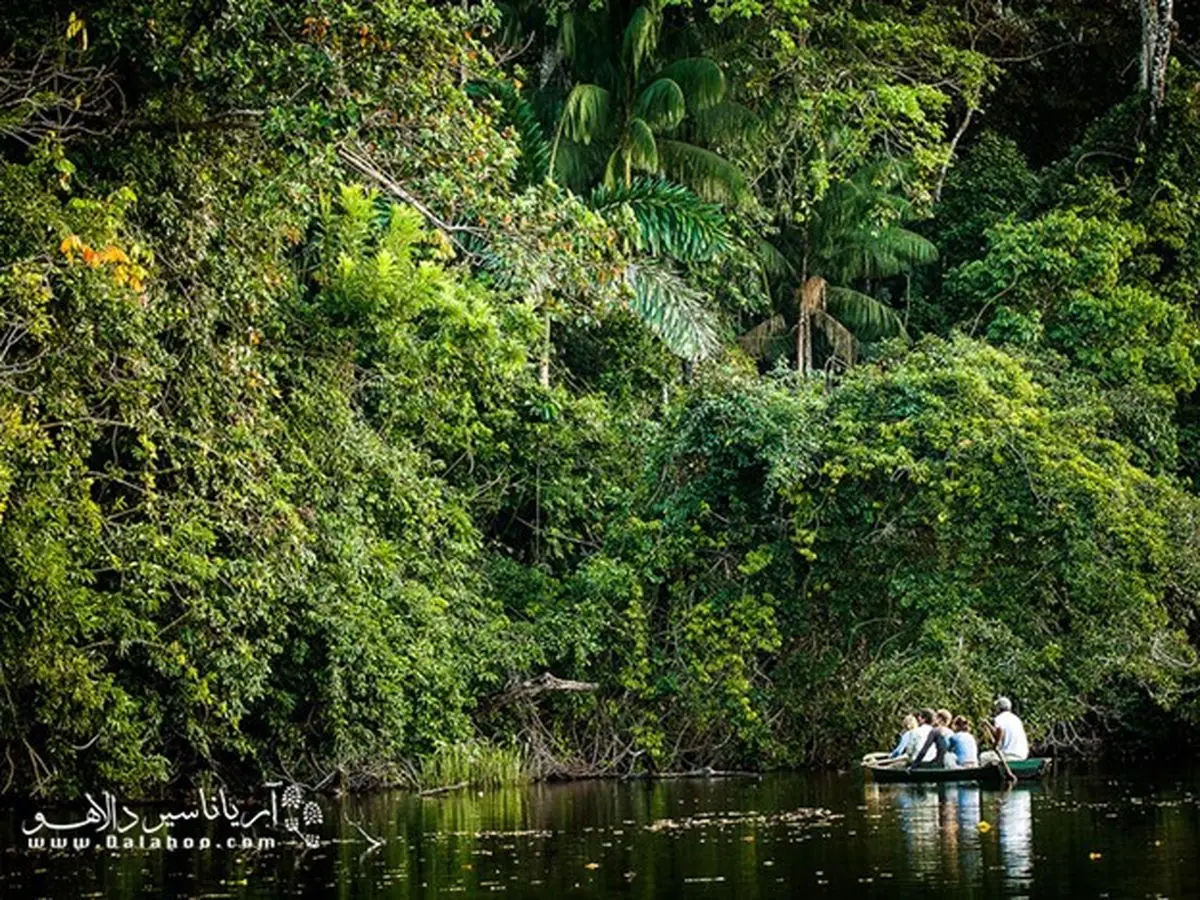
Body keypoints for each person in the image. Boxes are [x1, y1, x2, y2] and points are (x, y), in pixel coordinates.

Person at [980, 696, 1029, 764]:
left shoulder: (999, 718)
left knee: (983, 757)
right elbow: (998, 732)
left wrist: (995, 745)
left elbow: (1000, 732)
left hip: (1009, 755)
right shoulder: (1016, 719)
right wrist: (988, 724)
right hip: (1023, 755)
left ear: (999, 708)